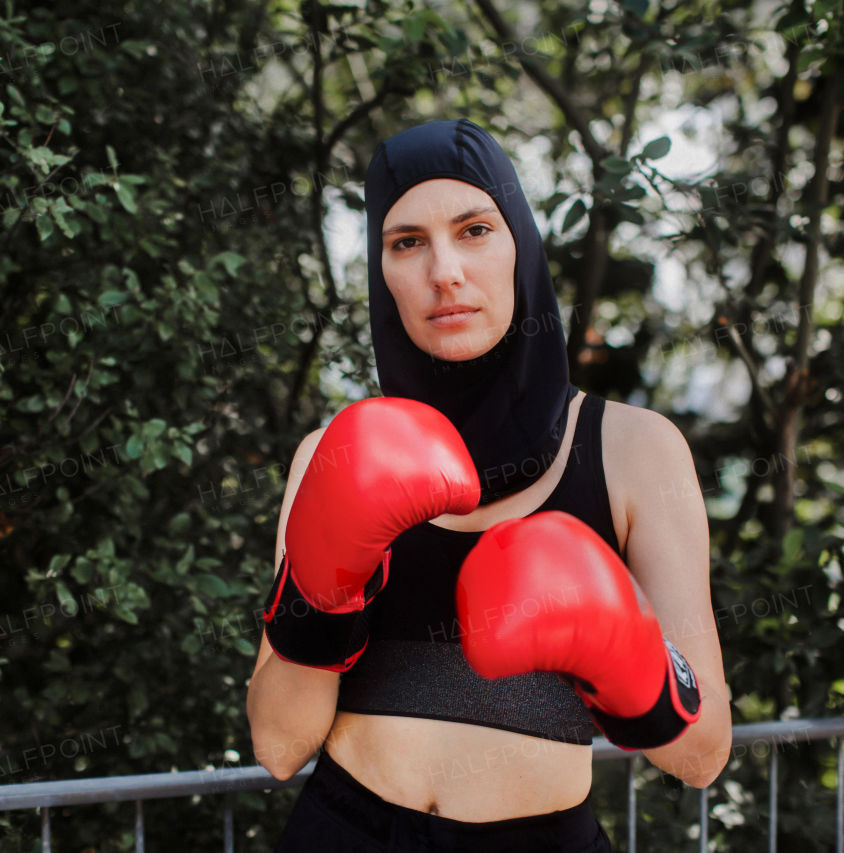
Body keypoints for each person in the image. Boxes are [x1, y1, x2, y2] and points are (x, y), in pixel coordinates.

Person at [246, 118, 729, 853]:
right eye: (407, 241)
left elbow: (702, 756)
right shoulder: (333, 455)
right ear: (382, 270)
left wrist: (630, 657)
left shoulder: (634, 450)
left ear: (520, 246)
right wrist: (324, 589)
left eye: (474, 229)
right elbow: (281, 745)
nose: (445, 271)